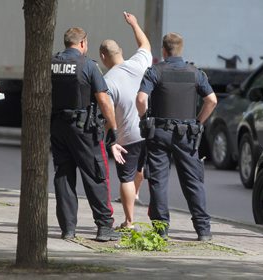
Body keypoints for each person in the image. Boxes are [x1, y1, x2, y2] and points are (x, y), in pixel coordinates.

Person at [136, 32, 217, 241]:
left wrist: (144, 118)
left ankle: (161, 231)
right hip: (187, 135)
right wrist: (198, 123)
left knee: (158, 182)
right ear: (181, 50)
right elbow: (212, 101)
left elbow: (141, 98)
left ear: (163, 51)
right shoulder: (195, 73)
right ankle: (203, 231)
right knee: (193, 181)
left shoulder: (155, 71)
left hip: (159, 132)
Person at [50, 27, 126, 241]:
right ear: (83, 43)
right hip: (85, 129)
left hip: (58, 127)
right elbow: (103, 100)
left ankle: (68, 229)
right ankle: (104, 227)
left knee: (64, 176)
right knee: (96, 175)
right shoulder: (88, 65)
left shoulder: (52, 63)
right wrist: (113, 128)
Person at [99, 12, 152, 229]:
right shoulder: (139, 63)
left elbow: (106, 110)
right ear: (121, 52)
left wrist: (110, 134)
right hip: (148, 130)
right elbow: (145, 44)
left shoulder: (107, 81)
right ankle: (136, 195)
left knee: (126, 178)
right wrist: (134, 24)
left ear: (103, 57)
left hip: (127, 135)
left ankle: (129, 222)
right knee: (140, 170)